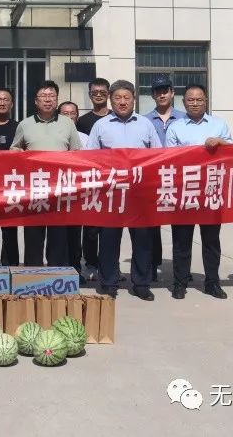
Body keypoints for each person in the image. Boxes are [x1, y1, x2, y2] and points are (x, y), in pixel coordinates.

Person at [85, 80, 163, 301]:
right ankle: (108, 282)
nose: (122, 102)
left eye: (126, 98)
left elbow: (157, 155)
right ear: (111, 100)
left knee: (143, 240)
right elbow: (91, 158)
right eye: (117, 98)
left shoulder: (146, 124)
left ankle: (141, 283)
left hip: (140, 192)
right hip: (111, 191)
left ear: (134, 100)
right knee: (108, 240)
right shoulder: (101, 125)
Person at [165, 84, 232, 301]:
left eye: (199, 99)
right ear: (183, 102)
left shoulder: (219, 125)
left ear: (206, 101)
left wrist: (220, 142)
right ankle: (180, 283)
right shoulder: (175, 127)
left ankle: (212, 283)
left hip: (211, 190)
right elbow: (169, 159)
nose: (195, 103)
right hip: (184, 191)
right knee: (181, 241)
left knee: (211, 241)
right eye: (190, 100)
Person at [11, 80, 82, 267]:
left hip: (60, 190)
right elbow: (14, 149)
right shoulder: (25, 124)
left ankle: (56, 274)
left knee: (59, 238)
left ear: (57, 100)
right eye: (43, 96)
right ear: (36, 101)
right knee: (33, 236)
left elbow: (77, 153)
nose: (48, 100)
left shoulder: (68, 123)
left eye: (52, 96)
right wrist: (18, 153)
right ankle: (32, 275)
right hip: (34, 190)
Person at [144, 75, 187, 282]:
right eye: (157, 91)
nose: (162, 95)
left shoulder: (185, 119)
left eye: (165, 91)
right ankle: (152, 266)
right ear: (152, 95)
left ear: (172, 93)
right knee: (151, 226)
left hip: (179, 179)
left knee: (180, 227)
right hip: (153, 179)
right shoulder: (144, 120)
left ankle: (182, 270)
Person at [75, 78, 110, 278]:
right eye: (94, 92)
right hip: (89, 179)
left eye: (102, 92)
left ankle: (109, 265)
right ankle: (90, 264)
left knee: (109, 227)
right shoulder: (82, 121)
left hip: (111, 180)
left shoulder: (115, 117)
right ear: (89, 95)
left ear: (108, 94)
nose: (98, 95)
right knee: (89, 227)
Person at [58, 101, 88, 283]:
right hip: (55, 193)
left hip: (77, 193)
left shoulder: (85, 138)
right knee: (57, 236)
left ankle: (76, 270)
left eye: (72, 113)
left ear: (77, 116)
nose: (69, 117)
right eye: (65, 114)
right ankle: (57, 270)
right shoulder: (53, 135)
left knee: (75, 235)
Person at [0, 87, 20, 266]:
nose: (2, 103)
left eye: (6, 99)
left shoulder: (19, 127)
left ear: (12, 104)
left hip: (11, 185)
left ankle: (11, 267)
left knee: (10, 230)